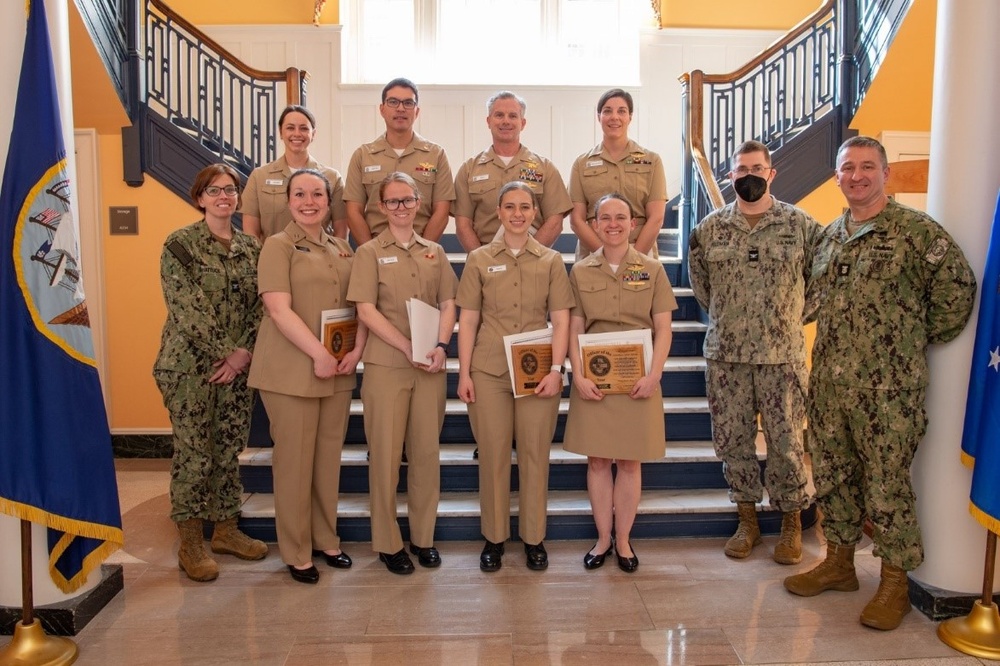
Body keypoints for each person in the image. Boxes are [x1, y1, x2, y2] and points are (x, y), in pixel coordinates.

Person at [784, 136, 976, 631]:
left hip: (888, 392)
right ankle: (840, 563)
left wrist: (910, 338)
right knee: (833, 476)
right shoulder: (828, 236)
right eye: (848, 168)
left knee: (888, 486)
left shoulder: (916, 232)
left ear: (885, 174)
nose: (857, 176)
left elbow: (958, 289)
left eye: (867, 167)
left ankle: (893, 581)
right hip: (830, 384)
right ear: (838, 176)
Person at [688, 140, 820, 564]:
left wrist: (786, 318)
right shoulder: (709, 229)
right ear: (730, 176)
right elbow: (702, 287)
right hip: (727, 357)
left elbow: (818, 286)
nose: (749, 176)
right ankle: (747, 521)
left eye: (757, 169)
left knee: (785, 445)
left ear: (771, 173)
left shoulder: (800, 225)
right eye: (741, 169)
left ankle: (790, 525)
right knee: (733, 443)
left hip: (782, 358)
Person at [247, 169, 367, 584]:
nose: (309, 201)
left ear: (328, 200)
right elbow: (278, 309)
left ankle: (325, 538)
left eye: (317, 193)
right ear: (288, 200)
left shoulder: (341, 248)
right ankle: (297, 551)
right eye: (300, 194)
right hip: (291, 370)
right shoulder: (277, 246)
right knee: (294, 464)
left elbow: (356, 307)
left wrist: (355, 351)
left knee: (326, 461)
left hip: (335, 369)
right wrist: (317, 353)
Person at [153, 163, 267, 582]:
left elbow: (263, 307)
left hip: (237, 370)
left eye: (231, 190)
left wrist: (244, 354)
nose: (224, 197)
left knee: (226, 451)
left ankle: (226, 530)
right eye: (214, 190)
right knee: (193, 454)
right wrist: (226, 353)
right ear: (199, 197)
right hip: (189, 369)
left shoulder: (252, 249)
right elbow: (186, 307)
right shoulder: (180, 244)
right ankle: (190, 542)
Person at [456, 181, 574, 572]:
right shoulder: (478, 259)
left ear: (535, 212)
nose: (518, 214)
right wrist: (464, 372)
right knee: (491, 456)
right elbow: (468, 319)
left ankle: (534, 539)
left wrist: (558, 370)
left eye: (526, 206)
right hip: (489, 371)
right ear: (499, 211)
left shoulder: (552, 261)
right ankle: (493, 538)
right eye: (510, 207)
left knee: (535, 455)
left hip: (538, 372)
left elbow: (561, 321)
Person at [347, 172, 458, 574]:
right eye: (392, 201)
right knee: (387, 457)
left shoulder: (436, 251)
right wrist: (405, 346)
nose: (401, 207)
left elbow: (449, 303)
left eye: (407, 200)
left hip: (429, 366)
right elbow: (365, 310)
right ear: (381, 207)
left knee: (426, 455)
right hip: (387, 367)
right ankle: (389, 542)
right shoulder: (369, 252)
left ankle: (422, 538)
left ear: (418, 203)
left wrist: (441, 345)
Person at [563, 193, 677, 573]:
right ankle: (602, 539)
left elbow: (663, 327)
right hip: (594, 380)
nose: (612, 224)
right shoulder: (579, 272)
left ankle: (624, 541)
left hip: (638, 380)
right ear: (594, 225)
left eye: (621, 217)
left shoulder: (652, 269)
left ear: (633, 224)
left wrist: (655, 375)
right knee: (597, 462)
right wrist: (576, 374)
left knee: (629, 463)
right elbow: (575, 327)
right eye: (605, 217)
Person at [453, 91, 573, 252]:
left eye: (512, 116)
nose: (506, 121)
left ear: (523, 123)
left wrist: (530, 256)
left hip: (534, 263)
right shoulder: (469, 170)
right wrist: (483, 261)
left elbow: (555, 221)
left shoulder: (545, 168)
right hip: (484, 263)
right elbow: (463, 224)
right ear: (488, 121)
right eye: (499, 115)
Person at [343, 78, 455, 245]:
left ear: (417, 111)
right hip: (375, 251)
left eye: (408, 103)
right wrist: (371, 253)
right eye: (393, 102)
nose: (401, 108)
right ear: (382, 109)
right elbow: (353, 212)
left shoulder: (435, 155)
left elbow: (441, 210)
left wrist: (422, 251)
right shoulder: (362, 156)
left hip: (422, 252)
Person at [569, 89, 667, 258]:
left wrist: (632, 258)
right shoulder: (581, 164)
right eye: (607, 111)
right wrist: (605, 256)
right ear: (599, 117)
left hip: (640, 252)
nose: (614, 117)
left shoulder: (652, 161)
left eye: (621, 111)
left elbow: (656, 217)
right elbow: (576, 220)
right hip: (594, 254)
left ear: (630, 117)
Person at [240, 105, 348, 241]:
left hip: (318, 260)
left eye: (303, 128)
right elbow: (251, 232)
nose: (297, 134)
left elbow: (341, 230)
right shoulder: (259, 176)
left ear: (313, 134)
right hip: (273, 258)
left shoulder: (332, 178)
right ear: (280, 132)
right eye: (290, 128)